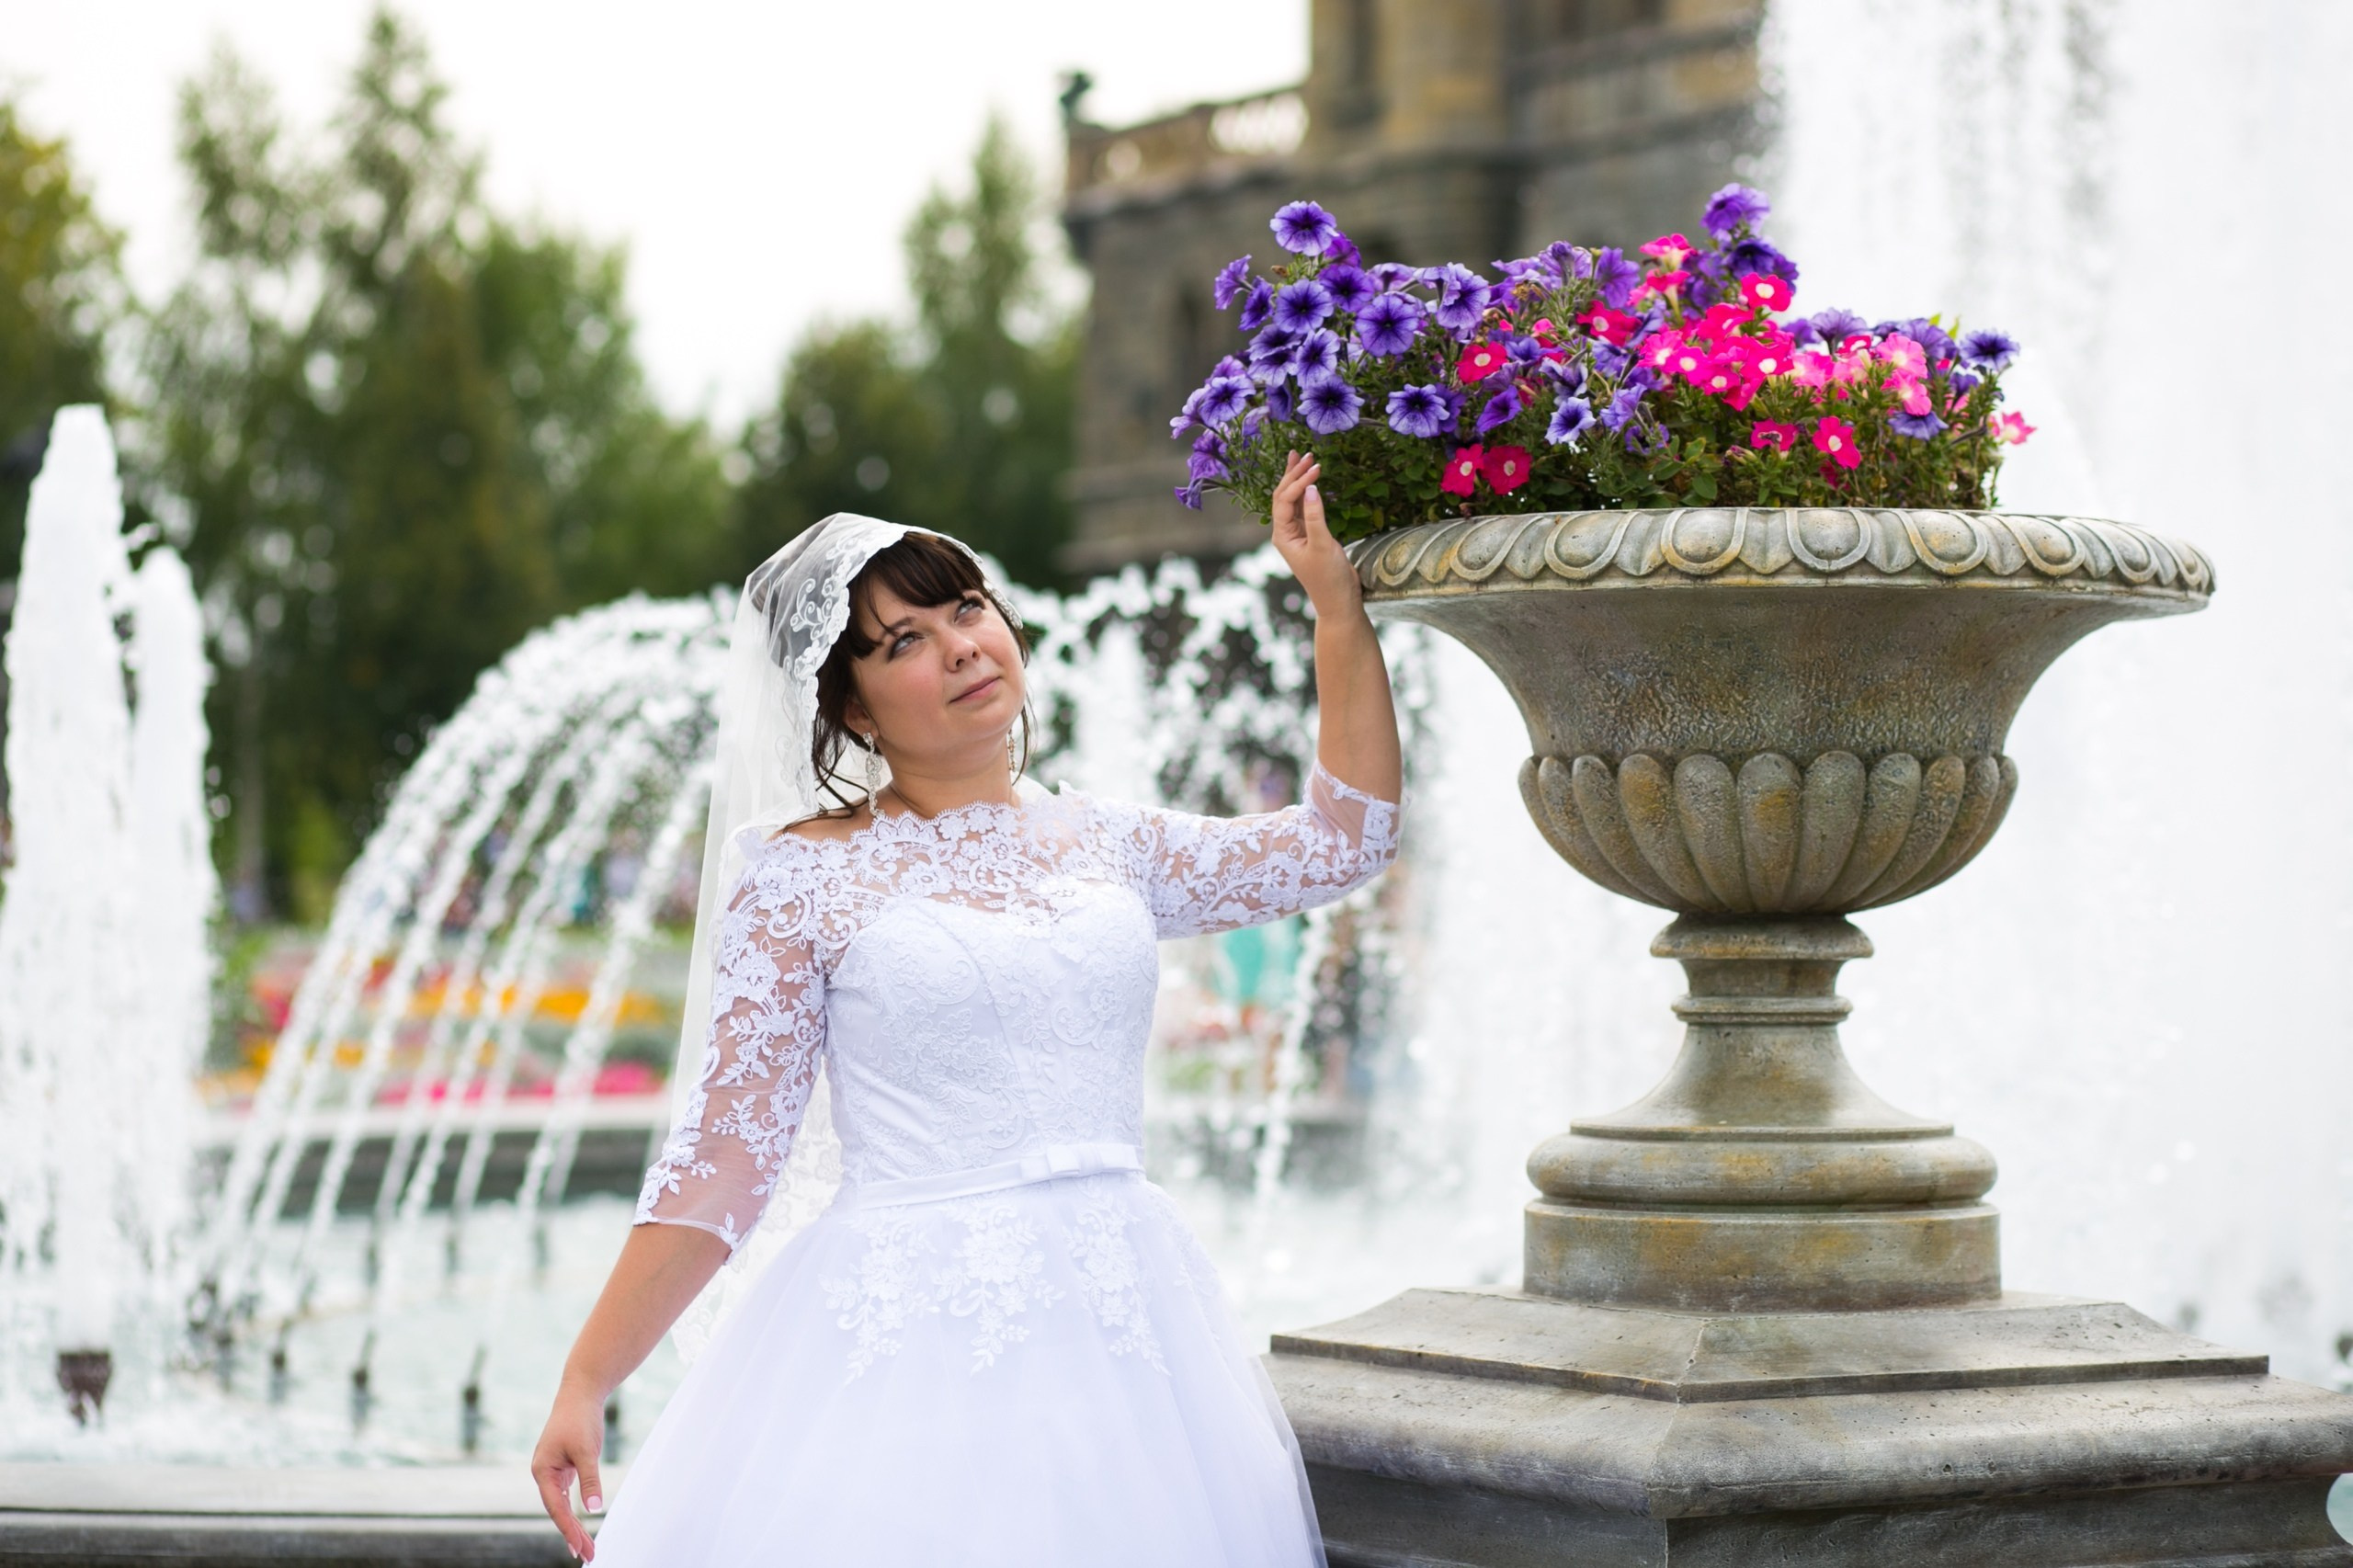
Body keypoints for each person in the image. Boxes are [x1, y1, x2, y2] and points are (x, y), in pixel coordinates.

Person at [530, 451, 1400, 1564]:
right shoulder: (798, 877)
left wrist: (1334, 604)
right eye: (902, 641)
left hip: (1129, 1326)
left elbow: (1345, 837)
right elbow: (725, 1161)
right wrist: (588, 1376)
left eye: (966, 608)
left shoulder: (1115, 841)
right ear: (847, 704)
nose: (957, 646)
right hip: (909, 1347)